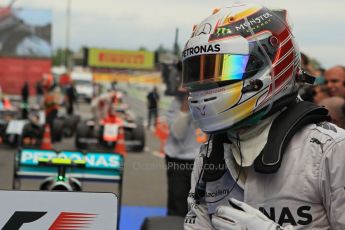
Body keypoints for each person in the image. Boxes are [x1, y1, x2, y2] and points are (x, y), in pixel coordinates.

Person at [182, 3, 345, 229]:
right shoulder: (210, 154)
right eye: (201, 70)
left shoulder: (332, 150)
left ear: (271, 61)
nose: (208, 82)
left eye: (227, 66)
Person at [164, 88, 206, 217]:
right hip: (180, 161)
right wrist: (187, 101)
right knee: (178, 207)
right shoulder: (177, 102)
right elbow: (178, 133)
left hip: (207, 159)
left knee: (204, 208)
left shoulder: (213, 96)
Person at [42, 73, 61, 142]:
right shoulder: (48, 89)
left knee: (51, 123)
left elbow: (55, 101)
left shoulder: (56, 89)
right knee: (47, 123)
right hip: (47, 109)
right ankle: (46, 136)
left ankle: (52, 138)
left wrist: (47, 104)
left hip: (53, 109)